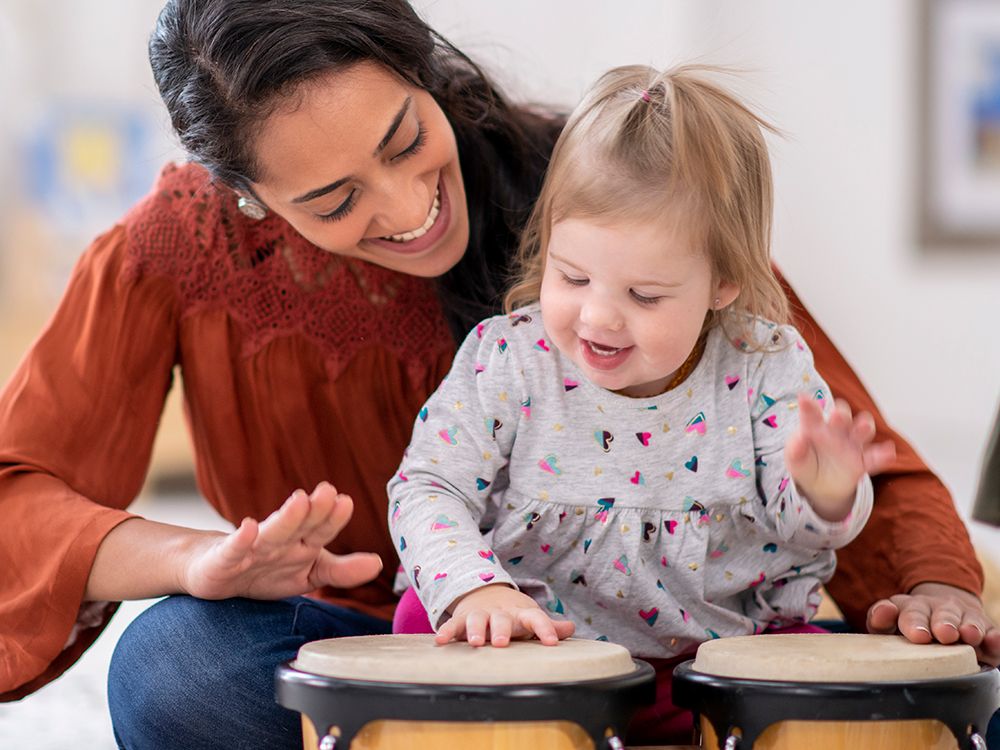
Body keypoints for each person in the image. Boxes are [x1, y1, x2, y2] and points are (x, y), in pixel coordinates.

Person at [0, 1, 994, 749]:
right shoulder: (177, 254)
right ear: (248, 198)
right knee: (173, 669)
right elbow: (17, 494)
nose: (406, 208)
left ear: (421, 65)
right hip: (387, 646)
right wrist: (194, 563)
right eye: (335, 197)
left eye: (403, 139)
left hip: (651, 649)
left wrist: (931, 589)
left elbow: (833, 451)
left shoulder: (598, 202)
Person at [386, 63, 895, 741]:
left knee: (821, 684)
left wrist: (828, 494)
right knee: (425, 621)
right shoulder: (508, 358)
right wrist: (475, 589)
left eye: (644, 295)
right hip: (532, 648)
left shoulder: (766, 367)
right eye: (572, 275)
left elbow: (806, 534)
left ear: (724, 281)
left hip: (710, 659)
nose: (598, 317)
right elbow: (427, 486)